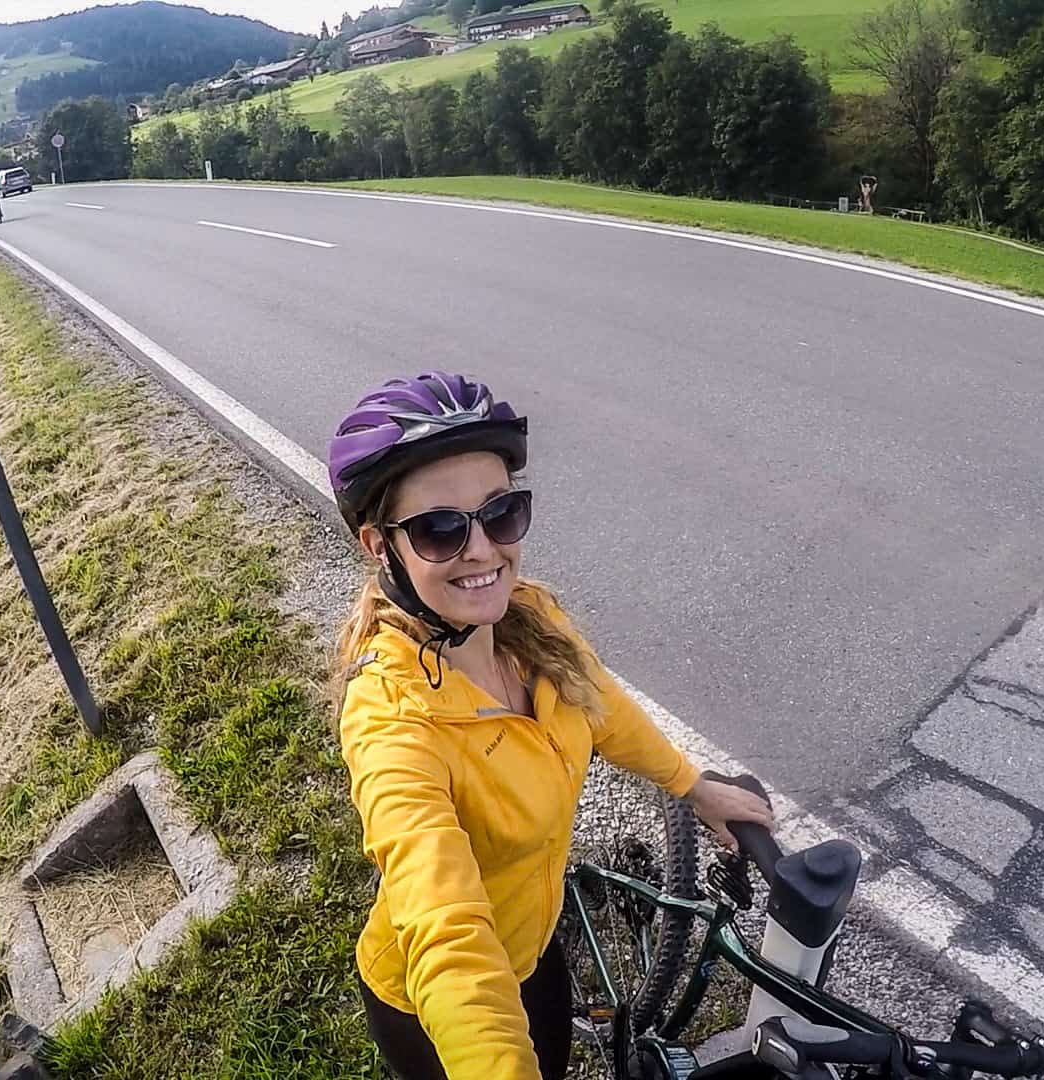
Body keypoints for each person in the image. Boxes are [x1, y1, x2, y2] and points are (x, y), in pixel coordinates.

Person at [329, 372, 776, 1080]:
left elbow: (600, 705)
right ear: (380, 547)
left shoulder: (529, 620)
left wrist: (694, 786)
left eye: (500, 514)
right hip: (430, 1007)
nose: (482, 551)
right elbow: (444, 925)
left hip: (537, 950)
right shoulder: (392, 721)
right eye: (439, 529)